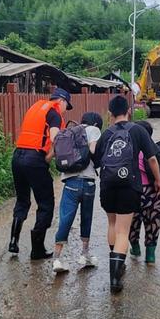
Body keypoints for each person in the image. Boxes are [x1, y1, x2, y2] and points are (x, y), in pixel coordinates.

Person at [94, 95, 160, 293]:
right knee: (123, 231)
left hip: (107, 186)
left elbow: (97, 160)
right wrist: (158, 181)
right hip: (128, 186)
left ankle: (117, 261)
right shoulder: (138, 130)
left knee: (112, 224)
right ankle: (115, 279)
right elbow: (152, 159)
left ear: (110, 114)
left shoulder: (106, 133)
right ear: (129, 111)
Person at [8, 87, 72, 260]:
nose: (66, 110)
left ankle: (13, 242)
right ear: (62, 101)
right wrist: (49, 157)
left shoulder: (36, 107)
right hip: (34, 159)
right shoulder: (55, 113)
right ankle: (37, 250)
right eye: (67, 105)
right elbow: (56, 138)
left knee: (22, 200)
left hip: (18, 156)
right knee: (45, 204)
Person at [52, 112, 103, 273]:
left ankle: (57, 259)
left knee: (65, 219)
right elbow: (94, 151)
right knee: (86, 217)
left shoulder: (71, 131)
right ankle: (84, 255)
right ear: (95, 124)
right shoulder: (93, 130)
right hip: (88, 182)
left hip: (70, 182)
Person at [129, 121, 160, 264]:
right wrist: (158, 181)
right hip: (153, 190)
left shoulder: (130, 149)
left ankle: (135, 248)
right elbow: (155, 163)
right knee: (153, 221)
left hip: (134, 191)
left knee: (132, 222)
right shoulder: (155, 149)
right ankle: (150, 256)